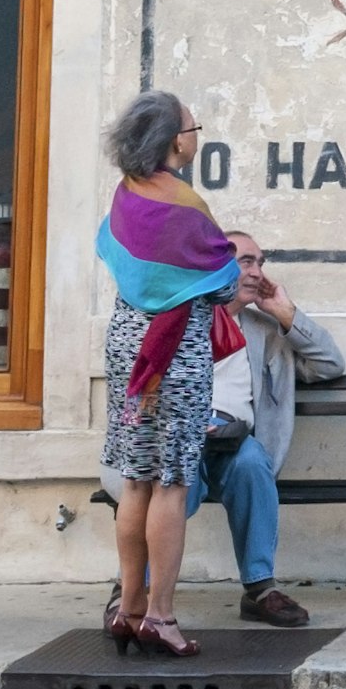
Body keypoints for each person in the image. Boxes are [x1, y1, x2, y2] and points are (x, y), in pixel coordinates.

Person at [97, 90, 243, 658]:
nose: (196, 135)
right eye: (193, 127)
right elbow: (225, 283)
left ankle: (128, 608)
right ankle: (160, 616)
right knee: (171, 482)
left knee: (135, 478)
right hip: (175, 356)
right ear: (174, 141)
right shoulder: (184, 204)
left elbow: (113, 254)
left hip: (127, 351)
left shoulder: (125, 195)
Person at [185, 228, 346, 627]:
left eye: (260, 263)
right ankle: (134, 589)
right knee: (171, 479)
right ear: (216, 266)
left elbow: (330, 365)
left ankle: (260, 588)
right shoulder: (184, 320)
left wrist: (285, 312)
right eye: (246, 262)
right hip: (182, 439)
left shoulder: (266, 331)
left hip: (234, 443)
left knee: (252, 462)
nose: (257, 272)